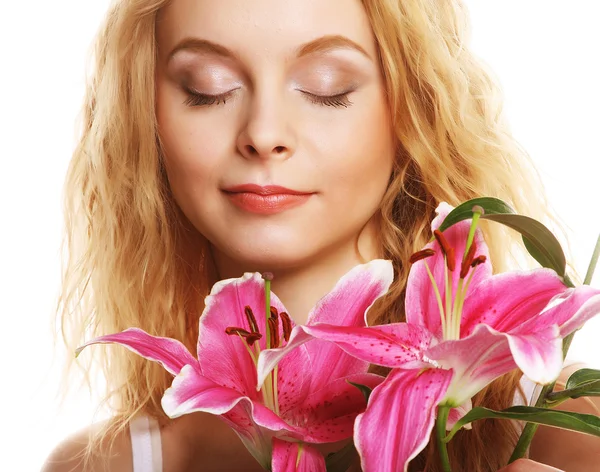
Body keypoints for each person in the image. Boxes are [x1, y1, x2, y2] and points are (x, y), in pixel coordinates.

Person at [42, 0, 599, 471]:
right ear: (149, 117)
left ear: (414, 109)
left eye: (326, 88)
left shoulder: (571, 426)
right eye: (206, 89)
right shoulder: (107, 461)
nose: (263, 134)